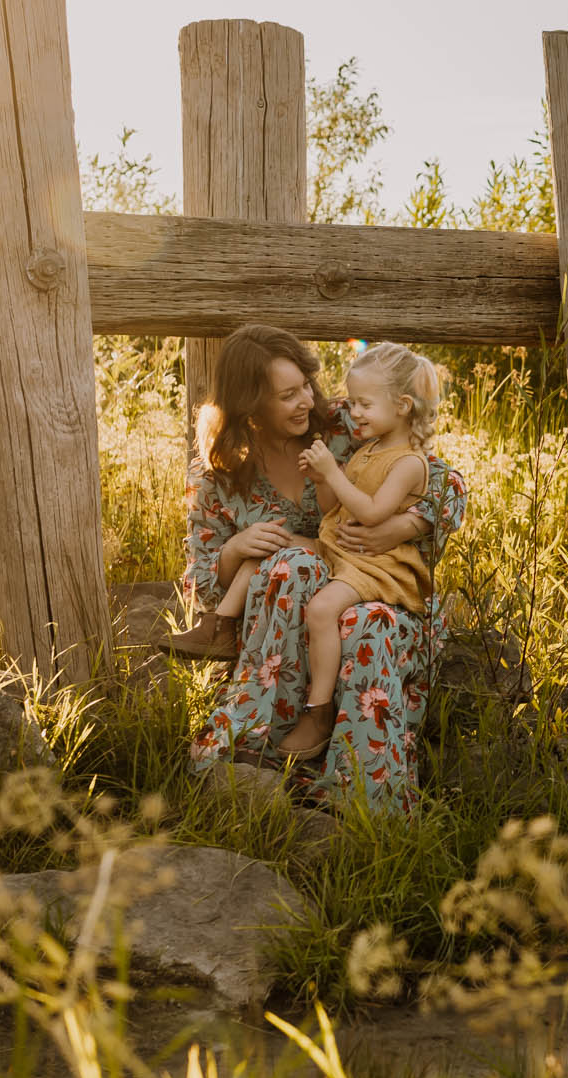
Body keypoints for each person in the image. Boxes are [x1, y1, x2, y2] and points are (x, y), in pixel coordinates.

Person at [171, 325, 443, 776]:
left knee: (362, 626)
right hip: (273, 623)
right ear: (249, 405)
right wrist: (237, 548)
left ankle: (358, 788)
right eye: (287, 395)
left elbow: (445, 482)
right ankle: (263, 751)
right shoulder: (216, 472)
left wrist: (396, 527)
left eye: (306, 387)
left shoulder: (344, 424)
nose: (307, 401)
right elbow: (197, 582)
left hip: (369, 591)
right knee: (294, 566)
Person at [282, 341, 442, 758]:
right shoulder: (369, 449)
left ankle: (317, 712)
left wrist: (332, 471)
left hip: (376, 565)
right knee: (277, 544)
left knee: (320, 610)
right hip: (340, 548)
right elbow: (330, 509)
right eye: (352, 403)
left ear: (403, 405)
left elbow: (372, 513)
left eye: (364, 404)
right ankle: (222, 621)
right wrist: (321, 480)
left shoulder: (408, 463)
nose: (354, 414)